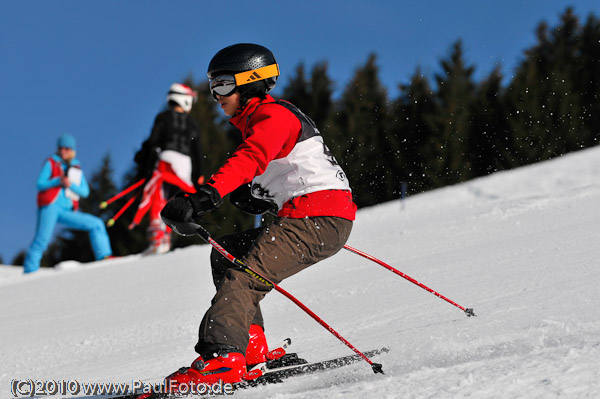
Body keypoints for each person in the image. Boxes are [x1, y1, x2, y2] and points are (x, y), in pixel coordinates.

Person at [159, 43, 357, 387]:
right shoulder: (267, 119)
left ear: (250, 81)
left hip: (316, 219)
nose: (215, 94)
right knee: (228, 253)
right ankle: (251, 350)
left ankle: (223, 359)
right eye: (212, 86)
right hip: (312, 216)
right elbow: (282, 166)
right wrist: (256, 194)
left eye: (222, 84)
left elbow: (251, 157)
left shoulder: (272, 115)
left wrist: (205, 197)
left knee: (244, 276)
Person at [24, 134, 112, 274]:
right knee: (42, 239)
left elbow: (85, 191)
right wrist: (57, 181)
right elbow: (40, 184)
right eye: (61, 148)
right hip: (50, 207)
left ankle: (104, 255)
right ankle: (30, 270)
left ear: (72, 149)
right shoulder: (51, 162)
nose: (63, 151)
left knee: (96, 224)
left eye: (67, 148)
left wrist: (70, 185)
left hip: (68, 211)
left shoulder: (76, 168)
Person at [132, 83, 203, 255]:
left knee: (160, 198)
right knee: (175, 200)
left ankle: (157, 238)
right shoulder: (192, 123)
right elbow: (198, 151)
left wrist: (144, 159)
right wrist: (199, 174)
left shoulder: (163, 117)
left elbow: (153, 141)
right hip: (185, 166)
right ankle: (168, 236)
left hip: (166, 161)